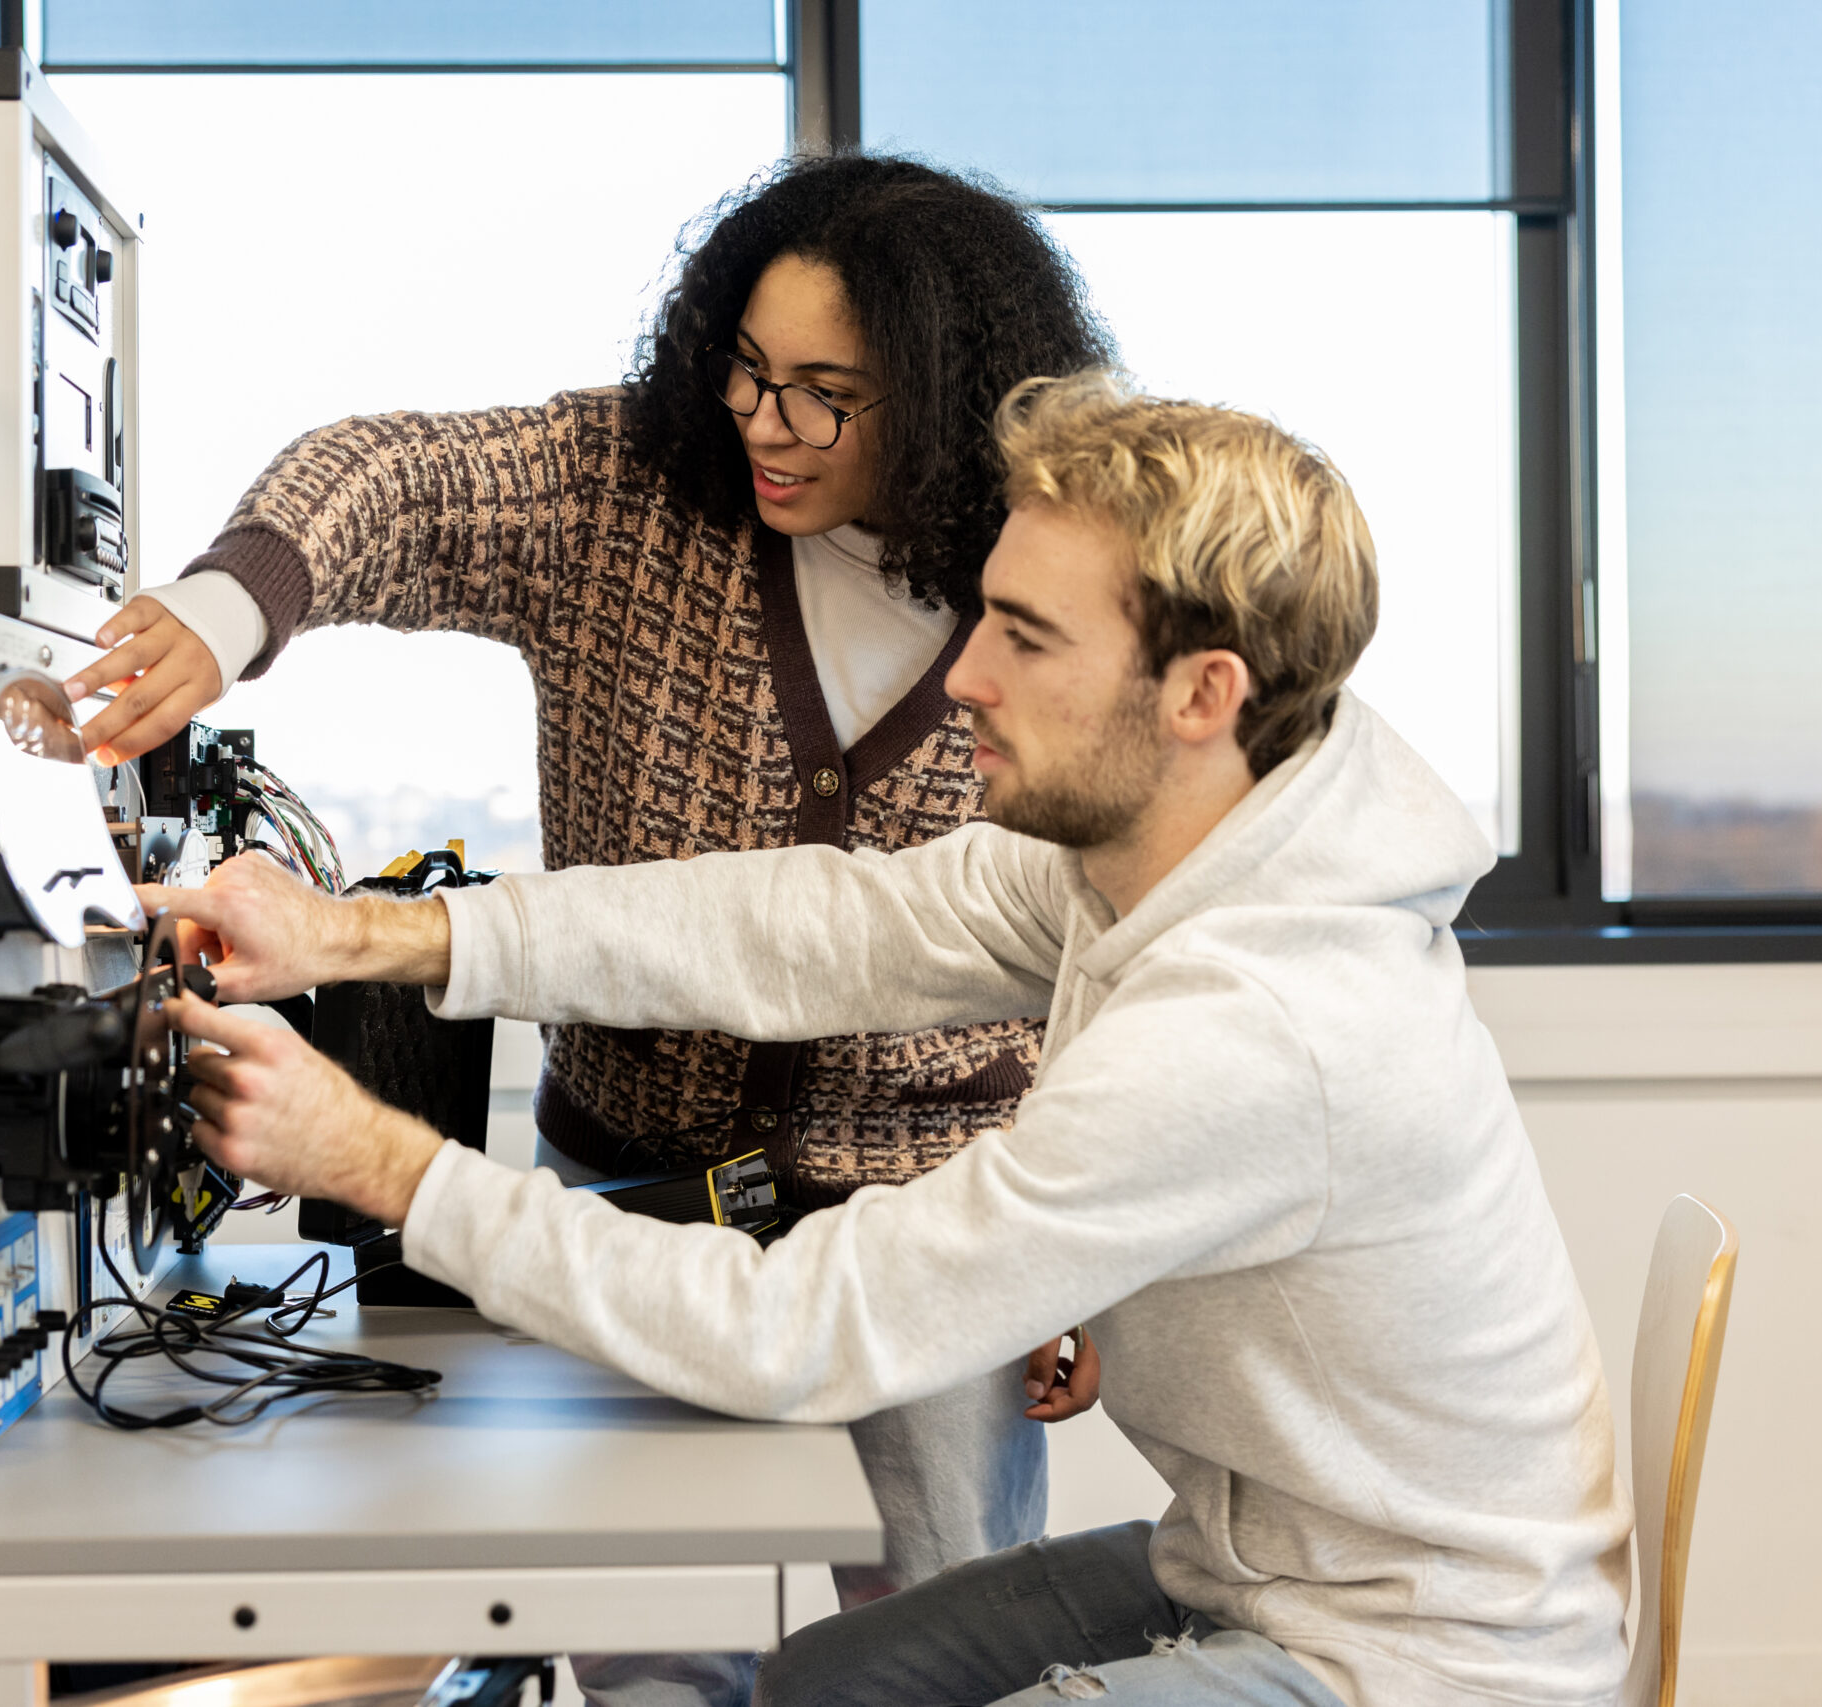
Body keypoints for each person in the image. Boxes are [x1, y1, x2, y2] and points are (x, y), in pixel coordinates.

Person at [141, 377, 1633, 1707]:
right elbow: (802, 930)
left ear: (1201, 694)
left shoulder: (1268, 1020)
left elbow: (803, 1334)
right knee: (819, 1688)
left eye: (1024, 635)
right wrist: (359, 937)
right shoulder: (1161, 860)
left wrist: (383, 1162)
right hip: (1253, 1570)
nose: (967, 672)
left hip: (1409, 1659)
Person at [66, 154, 1117, 1659]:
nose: (766, 421)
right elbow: (390, 477)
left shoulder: (1037, 583)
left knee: (942, 1647)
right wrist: (231, 609)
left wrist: (1077, 1249)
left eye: (828, 391)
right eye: (747, 369)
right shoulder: (628, 495)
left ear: (946, 394)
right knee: (648, 1645)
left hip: (929, 1231)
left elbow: (1092, 923)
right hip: (629, 1195)